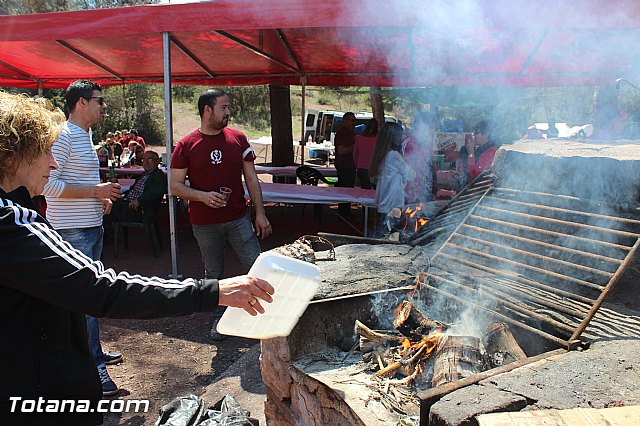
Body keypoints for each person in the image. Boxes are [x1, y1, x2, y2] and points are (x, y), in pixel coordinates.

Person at [0, 91, 275, 425]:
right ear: (11, 158)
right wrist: (213, 291)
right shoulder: (12, 224)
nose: (53, 163)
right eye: (45, 152)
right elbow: (102, 289)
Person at [42, 80, 124, 397]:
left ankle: (94, 354)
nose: (103, 106)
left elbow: (75, 182)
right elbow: (49, 186)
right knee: (84, 299)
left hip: (90, 228)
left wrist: (99, 199)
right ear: (80, 103)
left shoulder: (84, 136)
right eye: (98, 100)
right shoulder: (64, 136)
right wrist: (95, 191)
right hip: (71, 232)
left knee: (89, 298)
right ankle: (94, 370)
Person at [170, 88, 272, 280]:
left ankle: (266, 307)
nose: (228, 112)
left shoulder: (239, 139)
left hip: (238, 218)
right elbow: (175, 186)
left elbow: (251, 179)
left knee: (256, 266)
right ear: (207, 110)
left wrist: (260, 213)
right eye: (223, 107)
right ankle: (217, 309)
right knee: (213, 273)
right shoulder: (186, 145)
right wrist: (203, 196)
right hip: (204, 222)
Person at [369, 122, 416, 233]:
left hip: (384, 203)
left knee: (384, 234)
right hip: (393, 204)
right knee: (392, 236)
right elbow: (411, 175)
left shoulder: (382, 154)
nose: (403, 137)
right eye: (401, 134)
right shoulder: (393, 155)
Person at [110, 150, 167, 225]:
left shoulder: (159, 175)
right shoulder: (144, 174)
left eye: (149, 159)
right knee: (108, 203)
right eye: (143, 160)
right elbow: (132, 190)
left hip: (139, 209)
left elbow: (157, 191)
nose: (146, 162)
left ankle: (110, 235)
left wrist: (139, 201)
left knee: (109, 211)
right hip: (128, 203)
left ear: (157, 161)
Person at [402, 112, 438, 204]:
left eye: (432, 128)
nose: (431, 131)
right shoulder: (408, 144)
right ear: (418, 127)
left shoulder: (427, 144)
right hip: (409, 194)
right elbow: (402, 170)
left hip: (426, 192)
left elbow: (431, 167)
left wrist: (434, 189)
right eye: (428, 128)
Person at [456, 120, 498, 190]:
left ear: (486, 134)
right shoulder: (481, 150)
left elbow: (475, 175)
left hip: (479, 192)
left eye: (476, 133)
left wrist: (471, 154)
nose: (473, 135)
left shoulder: (491, 152)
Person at [334, 112, 357, 217]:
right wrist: (355, 146)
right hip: (344, 166)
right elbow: (341, 150)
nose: (354, 123)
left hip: (350, 166)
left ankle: (346, 213)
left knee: (348, 191)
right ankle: (343, 214)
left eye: (355, 120)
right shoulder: (342, 133)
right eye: (352, 120)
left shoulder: (350, 132)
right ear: (345, 121)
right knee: (345, 191)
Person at [352, 118, 378, 189]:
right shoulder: (378, 139)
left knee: (364, 190)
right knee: (375, 191)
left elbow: (355, 155)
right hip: (375, 168)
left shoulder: (358, 138)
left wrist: (356, 167)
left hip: (361, 168)